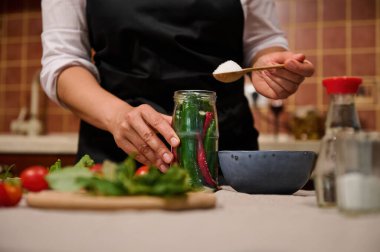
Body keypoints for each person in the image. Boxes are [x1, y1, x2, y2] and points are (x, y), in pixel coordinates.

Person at [40, 0, 314, 172]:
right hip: (117, 155)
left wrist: (269, 62)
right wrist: (118, 117)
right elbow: (63, 61)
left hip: (225, 155)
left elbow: (262, 38)